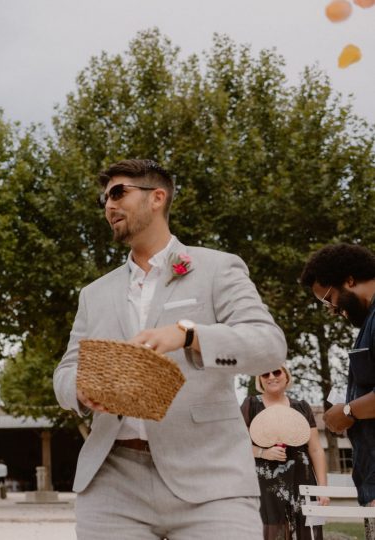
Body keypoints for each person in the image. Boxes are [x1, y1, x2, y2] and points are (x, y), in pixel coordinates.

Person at [53, 159, 286, 539]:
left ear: (157, 197)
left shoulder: (218, 268)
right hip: (113, 483)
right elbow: (65, 370)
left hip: (211, 479)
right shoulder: (94, 295)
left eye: (118, 192)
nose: (109, 206)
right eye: (104, 199)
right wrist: (80, 388)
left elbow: (269, 345)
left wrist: (190, 335)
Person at [300, 243, 375, 506]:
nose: (331, 309)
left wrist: (347, 412)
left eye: (328, 298)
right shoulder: (369, 323)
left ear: (350, 280)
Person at [241, 365, 328, 539]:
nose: (271, 376)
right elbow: (235, 445)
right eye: (265, 373)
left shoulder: (302, 407)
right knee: (272, 532)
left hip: (303, 482)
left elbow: (316, 449)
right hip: (265, 486)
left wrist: (323, 488)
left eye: (277, 372)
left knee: (308, 532)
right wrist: (262, 452)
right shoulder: (250, 405)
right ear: (260, 380)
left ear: (287, 376)